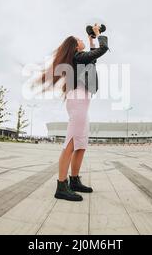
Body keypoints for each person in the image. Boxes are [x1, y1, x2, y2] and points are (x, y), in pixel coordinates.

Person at [35, 24, 109, 201]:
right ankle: (61, 186)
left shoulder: (81, 58)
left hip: (82, 102)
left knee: (81, 144)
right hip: (77, 101)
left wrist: (92, 38)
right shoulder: (77, 57)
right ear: (75, 47)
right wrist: (99, 35)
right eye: (79, 40)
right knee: (71, 143)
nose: (82, 39)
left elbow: (93, 58)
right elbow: (102, 50)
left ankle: (74, 180)